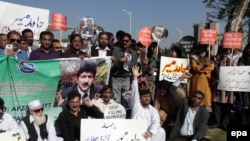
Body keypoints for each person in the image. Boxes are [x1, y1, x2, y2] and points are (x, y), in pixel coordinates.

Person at [168, 72, 209, 141]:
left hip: (194, 137)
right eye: (194, 97)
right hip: (180, 137)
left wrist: (194, 140)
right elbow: (172, 91)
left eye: (199, 98)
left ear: (201, 101)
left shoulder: (204, 112)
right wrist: (182, 78)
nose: (196, 99)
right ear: (190, 97)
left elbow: (202, 128)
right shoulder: (184, 103)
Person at [128, 65, 166, 141]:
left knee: (161, 131)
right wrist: (135, 78)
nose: (147, 98)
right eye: (144, 96)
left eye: (148, 96)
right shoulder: (136, 105)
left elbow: (156, 122)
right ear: (140, 98)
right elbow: (135, 93)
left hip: (147, 134)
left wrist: (151, 132)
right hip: (135, 132)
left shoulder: (153, 110)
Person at [111, 33, 138, 103]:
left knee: (127, 100)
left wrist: (133, 82)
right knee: (116, 101)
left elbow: (134, 69)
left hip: (127, 79)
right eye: (123, 41)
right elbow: (112, 68)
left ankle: (126, 114)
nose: (124, 42)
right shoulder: (116, 51)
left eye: (127, 41)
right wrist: (119, 61)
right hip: (116, 79)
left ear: (130, 42)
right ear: (121, 41)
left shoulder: (133, 53)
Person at [190, 45, 215, 112]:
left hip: (206, 81)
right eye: (201, 47)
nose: (203, 49)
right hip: (196, 80)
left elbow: (211, 67)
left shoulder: (210, 57)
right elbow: (194, 67)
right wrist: (203, 66)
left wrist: (203, 70)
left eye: (204, 48)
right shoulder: (194, 57)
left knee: (206, 97)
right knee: (196, 96)